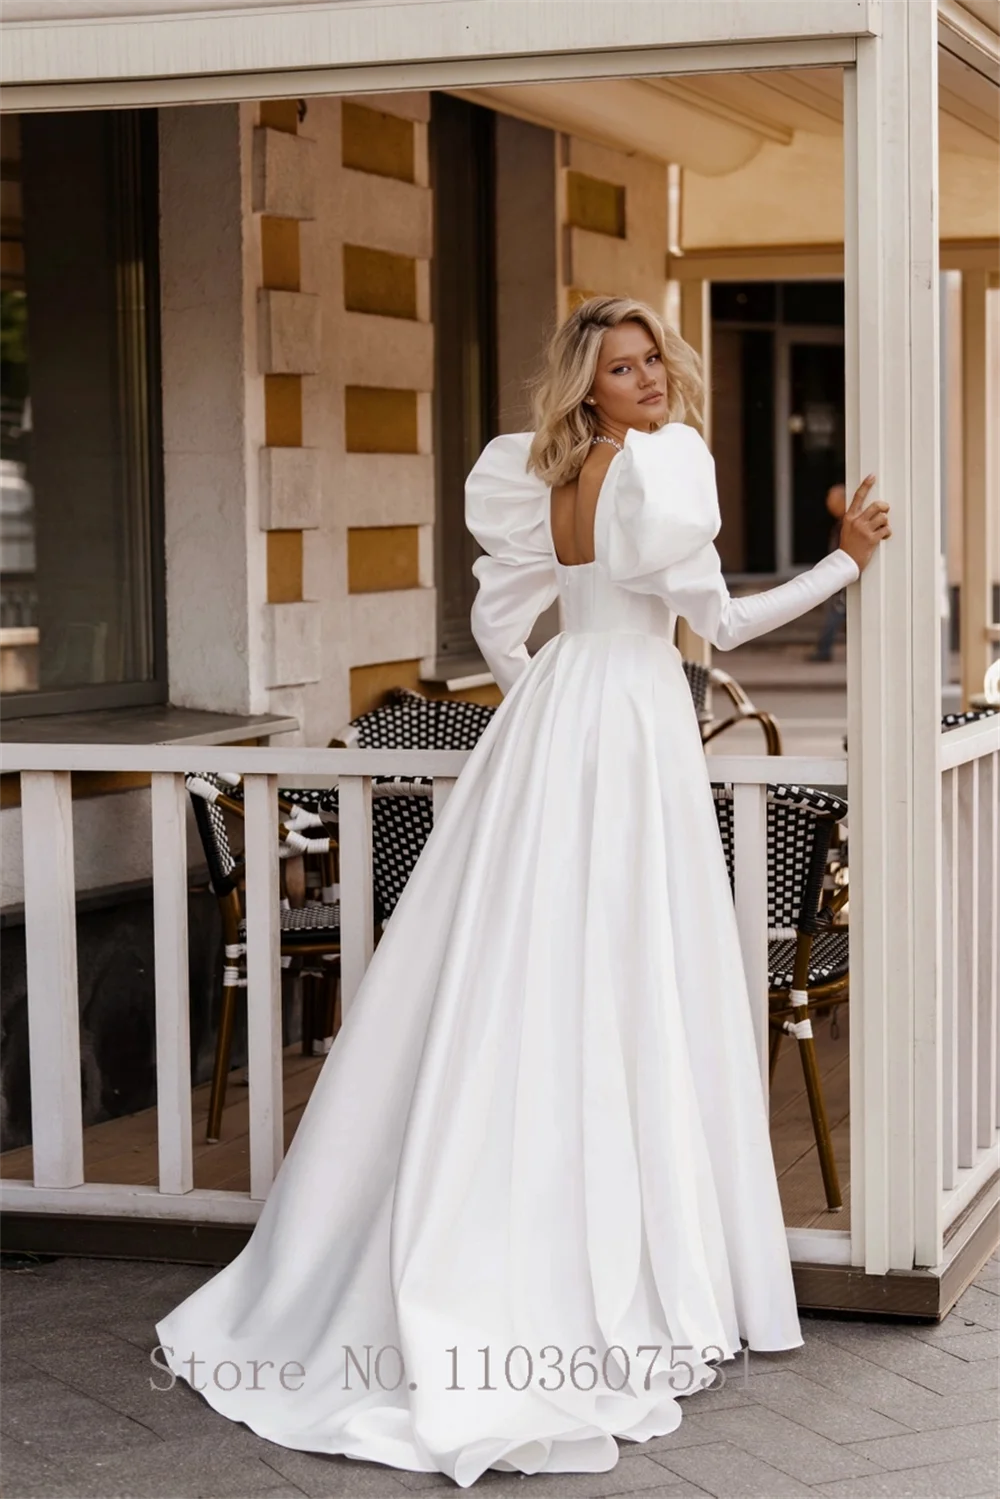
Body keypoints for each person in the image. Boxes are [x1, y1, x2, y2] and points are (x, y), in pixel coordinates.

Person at [153, 296, 890, 1488]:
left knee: (524, 965)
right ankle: (603, 1255)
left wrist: (557, 697)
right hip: (632, 720)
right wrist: (841, 564)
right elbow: (725, 625)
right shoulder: (661, 470)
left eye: (654, 359)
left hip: (553, 727)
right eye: (624, 365)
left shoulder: (539, 477)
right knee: (626, 968)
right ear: (588, 383)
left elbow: (506, 626)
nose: (649, 378)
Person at [808, 481, 849, 661]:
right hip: (841, 578)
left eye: (832, 500)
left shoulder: (847, 523)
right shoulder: (841, 523)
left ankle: (824, 650)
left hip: (844, 579)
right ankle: (824, 650)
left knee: (835, 614)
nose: (829, 505)